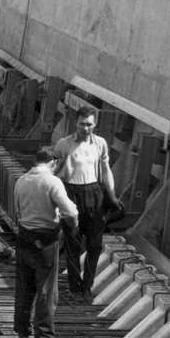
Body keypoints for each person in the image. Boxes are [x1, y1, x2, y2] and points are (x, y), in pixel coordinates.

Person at [13, 146, 80, 338]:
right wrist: (74, 223)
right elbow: (70, 211)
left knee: (24, 289)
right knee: (46, 293)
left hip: (24, 239)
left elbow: (18, 211)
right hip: (45, 243)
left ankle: (23, 336)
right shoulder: (52, 182)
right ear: (54, 162)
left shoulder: (21, 181)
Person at [52, 108, 118, 294]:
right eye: (82, 123)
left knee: (95, 244)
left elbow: (105, 170)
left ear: (94, 124)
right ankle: (74, 286)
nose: (85, 128)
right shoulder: (64, 144)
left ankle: (87, 285)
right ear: (76, 123)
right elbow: (53, 170)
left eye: (89, 124)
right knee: (73, 242)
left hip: (94, 192)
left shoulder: (100, 144)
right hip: (71, 193)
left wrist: (111, 194)